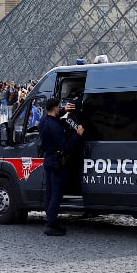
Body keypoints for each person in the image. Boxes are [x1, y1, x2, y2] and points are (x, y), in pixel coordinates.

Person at [40, 97, 82, 236]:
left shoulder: (43, 122)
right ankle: (51, 224)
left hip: (48, 159)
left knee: (49, 193)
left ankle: (50, 220)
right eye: (60, 106)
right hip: (58, 162)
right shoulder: (57, 126)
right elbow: (66, 146)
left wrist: (65, 109)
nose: (60, 108)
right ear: (55, 108)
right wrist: (78, 135)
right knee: (56, 195)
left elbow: (54, 116)